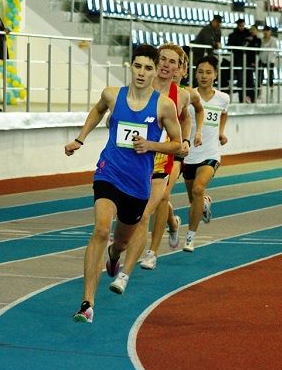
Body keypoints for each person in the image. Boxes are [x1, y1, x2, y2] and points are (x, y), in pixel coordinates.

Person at [65, 45, 182, 323]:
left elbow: (178, 144)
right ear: (131, 66)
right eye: (137, 66)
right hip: (109, 172)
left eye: (148, 68)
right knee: (101, 229)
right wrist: (80, 139)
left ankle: (114, 254)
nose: (142, 72)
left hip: (138, 185)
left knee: (120, 241)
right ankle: (87, 304)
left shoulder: (164, 105)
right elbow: (97, 111)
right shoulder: (112, 95)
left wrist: (151, 145)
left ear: (155, 71)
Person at [109, 44, 203, 293]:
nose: (165, 65)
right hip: (135, 159)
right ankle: (169, 224)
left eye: (172, 62)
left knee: (148, 210)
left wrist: (186, 139)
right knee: (136, 211)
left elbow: (188, 116)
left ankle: (140, 261)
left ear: (179, 68)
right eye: (162, 59)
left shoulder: (181, 95)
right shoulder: (141, 84)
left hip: (164, 158)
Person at [182, 55, 229, 252]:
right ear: (195, 74)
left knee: (198, 188)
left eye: (208, 72)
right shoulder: (188, 95)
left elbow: (224, 114)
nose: (204, 76)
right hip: (189, 154)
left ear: (215, 75)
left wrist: (220, 132)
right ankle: (204, 202)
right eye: (200, 72)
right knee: (194, 199)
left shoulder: (223, 98)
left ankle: (190, 237)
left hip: (211, 153)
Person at [227, 20, 261, 103]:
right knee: (241, 81)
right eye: (240, 25)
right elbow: (230, 47)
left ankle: (251, 99)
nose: (242, 27)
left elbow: (255, 45)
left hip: (248, 61)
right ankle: (242, 99)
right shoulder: (233, 35)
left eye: (243, 25)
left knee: (250, 80)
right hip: (238, 61)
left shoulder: (249, 34)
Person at [258, 25, 277, 102]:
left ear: (270, 32)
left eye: (267, 31)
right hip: (262, 60)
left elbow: (275, 51)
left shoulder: (273, 40)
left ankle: (271, 94)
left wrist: (272, 59)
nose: (265, 32)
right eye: (264, 31)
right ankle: (260, 94)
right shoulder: (261, 40)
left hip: (270, 61)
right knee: (260, 77)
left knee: (270, 77)